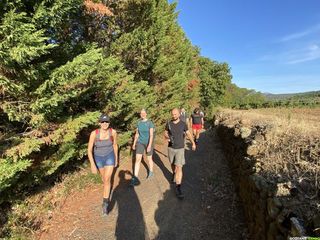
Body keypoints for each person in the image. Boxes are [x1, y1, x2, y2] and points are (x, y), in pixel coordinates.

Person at [87, 113, 118, 215]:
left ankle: (105, 203)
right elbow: (89, 150)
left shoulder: (113, 132)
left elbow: (115, 145)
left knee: (107, 179)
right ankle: (107, 189)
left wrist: (116, 159)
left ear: (109, 123)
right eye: (103, 122)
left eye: (107, 121)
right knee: (104, 179)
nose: (105, 123)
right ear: (99, 123)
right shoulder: (94, 134)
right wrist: (92, 164)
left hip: (109, 156)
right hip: (98, 158)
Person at [164, 108, 196, 199]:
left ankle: (178, 187)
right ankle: (174, 173)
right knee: (173, 164)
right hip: (171, 148)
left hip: (180, 148)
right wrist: (167, 137)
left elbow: (188, 133)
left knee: (179, 167)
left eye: (175, 114)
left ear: (179, 114)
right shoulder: (168, 124)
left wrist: (193, 143)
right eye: (172, 114)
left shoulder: (183, 124)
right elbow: (165, 133)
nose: (173, 116)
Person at [131, 109, 155, 186]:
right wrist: (134, 143)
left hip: (148, 142)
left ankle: (151, 172)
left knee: (149, 158)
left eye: (144, 113)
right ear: (140, 114)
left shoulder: (150, 123)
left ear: (146, 114)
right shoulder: (139, 123)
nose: (143, 114)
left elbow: (151, 135)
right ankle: (135, 177)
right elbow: (137, 134)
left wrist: (149, 145)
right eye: (141, 113)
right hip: (140, 142)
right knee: (138, 159)